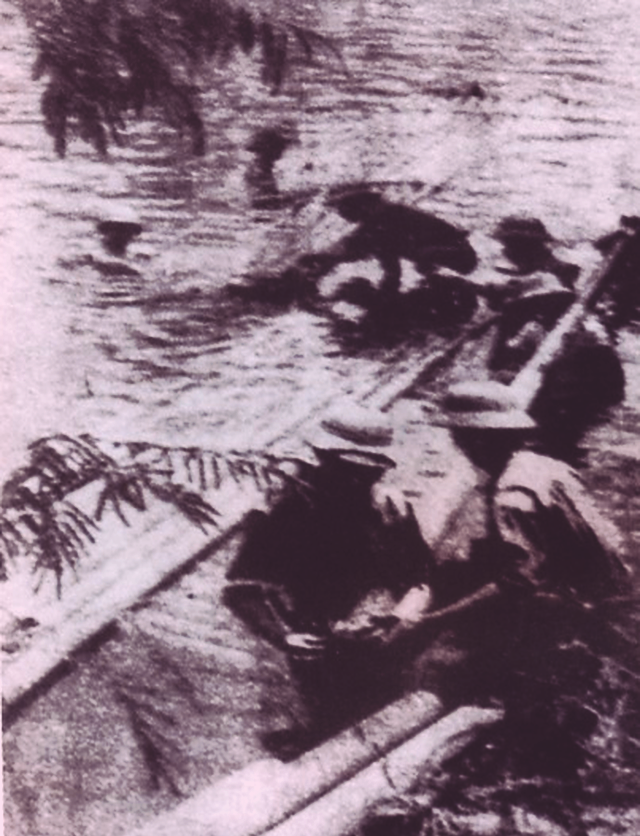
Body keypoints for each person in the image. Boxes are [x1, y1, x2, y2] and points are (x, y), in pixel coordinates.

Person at [222, 417, 434, 755]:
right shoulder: (288, 509)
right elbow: (240, 589)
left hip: (381, 635)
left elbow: (421, 576)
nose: (360, 481)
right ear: (325, 460)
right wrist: (283, 636)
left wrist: (398, 615)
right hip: (315, 640)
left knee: (389, 718)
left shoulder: (388, 506)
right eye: (350, 472)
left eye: (371, 473)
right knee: (332, 727)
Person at [293, 188, 478, 297]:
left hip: (458, 257)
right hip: (454, 256)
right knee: (379, 248)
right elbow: (358, 249)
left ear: (365, 208)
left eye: (350, 214)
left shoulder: (387, 219)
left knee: (391, 251)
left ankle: (443, 283)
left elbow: (388, 267)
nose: (348, 219)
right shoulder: (383, 219)